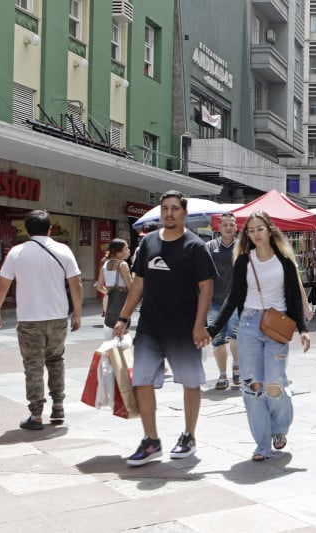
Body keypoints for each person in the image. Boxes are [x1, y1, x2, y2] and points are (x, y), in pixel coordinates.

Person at [112, 191, 216, 466]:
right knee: (141, 381)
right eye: (165, 209)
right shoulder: (148, 242)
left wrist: (199, 325)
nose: (169, 213)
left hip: (184, 329)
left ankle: (189, 436)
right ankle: (151, 441)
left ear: (184, 213)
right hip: (150, 327)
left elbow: (206, 288)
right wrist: (123, 318)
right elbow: (138, 283)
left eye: (174, 208)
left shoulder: (196, 246)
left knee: (190, 382)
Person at [207, 211, 311, 461]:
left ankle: (279, 426)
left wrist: (303, 329)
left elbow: (294, 298)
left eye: (260, 229)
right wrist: (211, 329)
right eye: (251, 230)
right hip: (249, 324)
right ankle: (262, 444)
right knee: (252, 386)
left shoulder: (284, 261)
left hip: (277, 323)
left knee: (274, 385)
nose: (255, 234)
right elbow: (233, 298)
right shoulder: (244, 260)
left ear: (269, 230)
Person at [0, 210, 83, 430]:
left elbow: (2, 286)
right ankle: (58, 407)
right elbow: (76, 284)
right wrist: (77, 313)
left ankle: (36, 415)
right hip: (58, 318)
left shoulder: (17, 252)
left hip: (29, 320)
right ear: (50, 229)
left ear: (26, 230)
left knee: (33, 365)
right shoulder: (63, 250)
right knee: (56, 361)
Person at [206, 212, 240, 390]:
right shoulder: (210, 247)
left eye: (231, 224)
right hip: (214, 302)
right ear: (219, 227)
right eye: (225, 224)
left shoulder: (242, 246)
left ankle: (237, 367)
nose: (228, 228)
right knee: (218, 340)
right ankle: (222, 375)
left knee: (236, 338)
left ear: (236, 227)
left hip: (235, 302)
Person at [97, 239, 133, 340]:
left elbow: (99, 286)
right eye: (126, 249)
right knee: (123, 335)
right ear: (118, 252)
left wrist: (109, 292)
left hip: (109, 303)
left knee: (111, 332)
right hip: (122, 303)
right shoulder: (123, 265)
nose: (129, 251)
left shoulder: (105, 264)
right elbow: (130, 287)